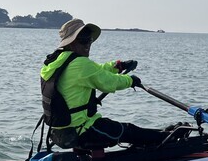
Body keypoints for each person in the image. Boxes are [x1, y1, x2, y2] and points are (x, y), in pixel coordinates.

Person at [40, 18, 173, 149]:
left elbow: (96, 71)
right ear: (72, 43)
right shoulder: (81, 64)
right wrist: (131, 81)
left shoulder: (57, 62)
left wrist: (117, 66)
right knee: (127, 131)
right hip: (84, 129)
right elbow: (109, 82)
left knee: (121, 129)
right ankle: (168, 141)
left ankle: (161, 136)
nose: (87, 45)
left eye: (89, 40)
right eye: (83, 41)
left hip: (60, 132)